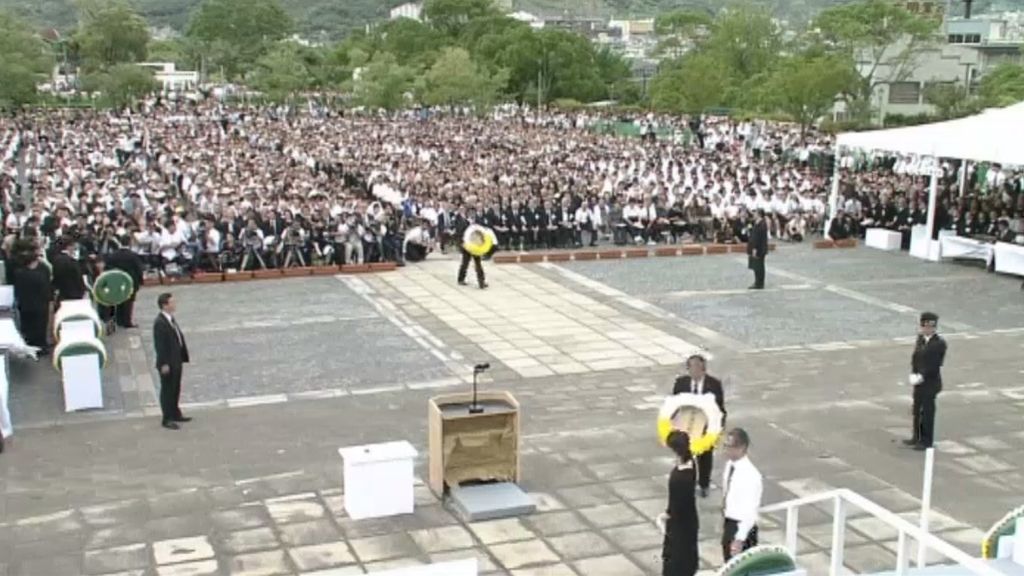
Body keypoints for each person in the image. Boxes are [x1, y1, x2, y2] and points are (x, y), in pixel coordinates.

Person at [672, 354, 726, 498]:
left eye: (697, 368)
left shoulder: (714, 384)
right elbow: (674, 405)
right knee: (687, 456)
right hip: (686, 425)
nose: (694, 371)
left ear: (703, 369)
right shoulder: (681, 383)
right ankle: (689, 482)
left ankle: (704, 484)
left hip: (706, 426)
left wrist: (718, 428)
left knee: (705, 457)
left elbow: (720, 408)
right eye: (691, 368)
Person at [904, 312, 947, 451]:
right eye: (925, 326)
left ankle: (926, 441)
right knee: (917, 409)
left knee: (927, 412)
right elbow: (916, 359)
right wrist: (913, 374)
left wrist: (921, 376)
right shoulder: (921, 340)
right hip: (919, 381)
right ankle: (916, 436)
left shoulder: (939, 343)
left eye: (931, 326)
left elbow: (935, 364)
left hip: (930, 382)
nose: (928, 329)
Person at [658, 431, 699, 576]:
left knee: (676, 562)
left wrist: (667, 517)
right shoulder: (691, 464)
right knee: (686, 558)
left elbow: (677, 503)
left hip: (680, 525)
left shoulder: (679, 477)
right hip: (689, 520)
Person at [721, 427, 763, 563]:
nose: (726, 450)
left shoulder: (751, 475)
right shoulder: (730, 465)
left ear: (742, 447)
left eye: (730, 446)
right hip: (729, 523)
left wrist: (739, 538)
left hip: (742, 528)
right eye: (725, 445)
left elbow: (750, 511)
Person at [153, 293, 191, 431]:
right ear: (165, 305)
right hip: (168, 362)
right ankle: (167, 417)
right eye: (172, 302)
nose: (174, 304)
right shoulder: (160, 323)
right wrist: (164, 363)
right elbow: (160, 345)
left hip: (176, 359)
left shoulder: (170, 319)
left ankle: (175, 412)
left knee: (175, 388)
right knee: (168, 389)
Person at [11, 240, 53, 355]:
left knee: (29, 326)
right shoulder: (42, 269)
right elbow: (46, 286)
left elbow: (18, 290)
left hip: (26, 305)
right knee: (41, 325)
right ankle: (41, 346)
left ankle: (31, 346)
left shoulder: (19, 272)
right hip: (40, 304)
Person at [105, 236, 145, 328]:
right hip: (130, 281)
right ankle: (127, 321)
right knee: (129, 302)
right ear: (130, 243)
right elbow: (139, 269)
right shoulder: (133, 255)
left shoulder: (113, 255)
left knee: (119, 300)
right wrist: (140, 281)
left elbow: (108, 268)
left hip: (117, 281)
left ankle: (119, 320)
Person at [50, 236, 87, 304]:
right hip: (75, 296)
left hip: (62, 295)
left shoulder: (56, 260)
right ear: (69, 246)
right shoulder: (72, 262)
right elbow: (78, 279)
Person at [457, 219, 488, 290]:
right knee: (465, 263)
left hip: (475, 246)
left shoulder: (478, 224)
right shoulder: (463, 223)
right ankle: (461, 279)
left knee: (478, 264)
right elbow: (460, 234)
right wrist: (462, 244)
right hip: (467, 246)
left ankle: (481, 282)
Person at [746, 209, 769, 290]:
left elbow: (758, 238)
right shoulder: (757, 223)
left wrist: (755, 248)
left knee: (759, 266)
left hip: (759, 249)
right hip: (757, 247)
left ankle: (759, 283)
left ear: (759, 214)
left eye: (755, 213)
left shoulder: (761, 224)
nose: (754, 215)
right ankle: (757, 282)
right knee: (756, 266)